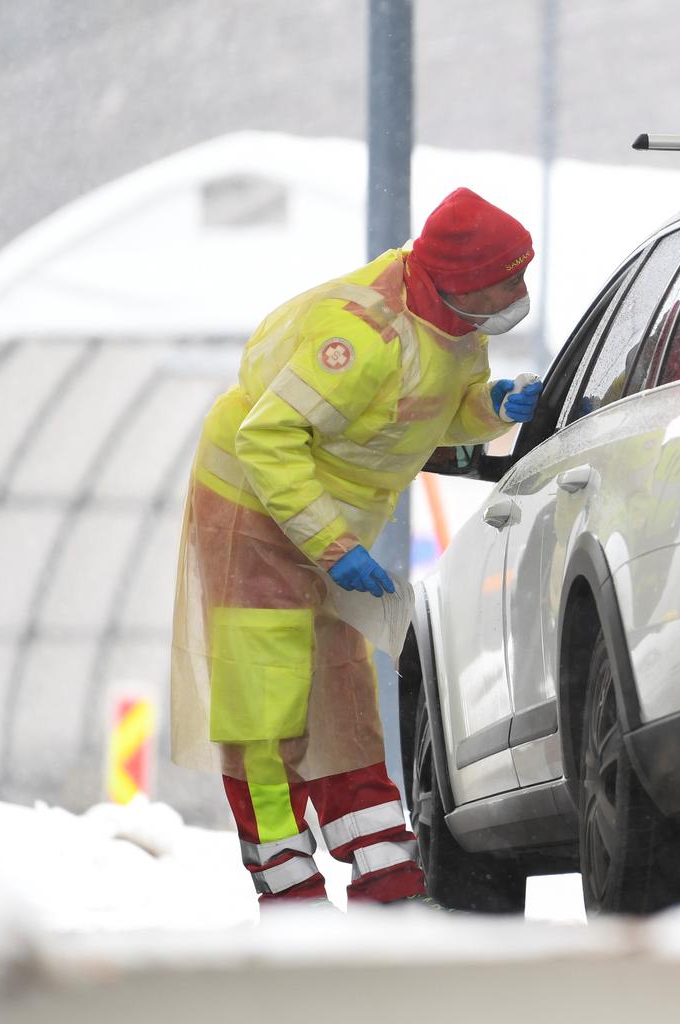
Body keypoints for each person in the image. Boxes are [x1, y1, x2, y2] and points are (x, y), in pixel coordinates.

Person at [168, 187, 544, 904]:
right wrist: (336, 548)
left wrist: (493, 406)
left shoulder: (460, 321)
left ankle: (380, 861)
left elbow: (434, 411)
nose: (519, 294)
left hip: (324, 523)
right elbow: (266, 437)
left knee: (341, 690)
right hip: (250, 512)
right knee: (265, 702)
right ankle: (285, 877)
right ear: (461, 278)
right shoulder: (360, 339)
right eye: (508, 280)